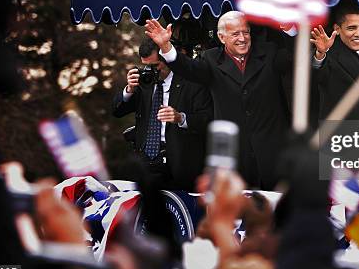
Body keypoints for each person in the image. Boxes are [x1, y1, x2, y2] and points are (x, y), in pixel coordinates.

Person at [144, 12, 293, 190]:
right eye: (235, 34)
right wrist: (166, 47)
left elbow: (295, 58)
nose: (243, 38)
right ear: (222, 37)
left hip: (274, 157)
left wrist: (291, 31)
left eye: (246, 32)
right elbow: (188, 68)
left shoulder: (269, 52)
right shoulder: (211, 59)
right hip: (236, 162)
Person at [112, 37, 212, 191]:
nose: (151, 71)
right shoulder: (144, 82)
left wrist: (180, 118)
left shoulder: (192, 82)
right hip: (146, 161)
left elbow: (207, 119)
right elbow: (117, 111)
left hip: (180, 163)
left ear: (167, 59)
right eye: (145, 66)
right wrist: (129, 91)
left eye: (155, 65)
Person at [310, 0, 359, 120]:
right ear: (337, 29)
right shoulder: (330, 54)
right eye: (351, 28)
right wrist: (321, 53)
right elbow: (316, 75)